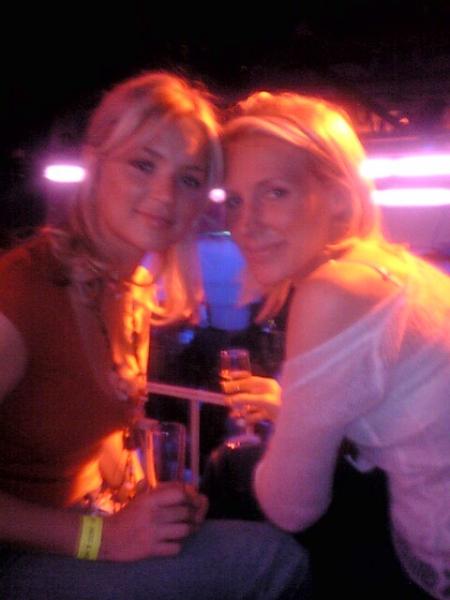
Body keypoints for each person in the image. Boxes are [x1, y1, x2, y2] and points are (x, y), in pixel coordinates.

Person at [0, 71, 310, 599]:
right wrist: (102, 539)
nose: (165, 195)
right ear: (96, 164)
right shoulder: (19, 294)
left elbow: (94, 433)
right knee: (272, 560)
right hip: (21, 557)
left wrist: (152, 506)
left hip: (87, 521)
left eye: (188, 179)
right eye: (143, 164)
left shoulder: (133, 291)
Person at [221, 89, 450, 599]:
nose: (245, 223)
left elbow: (292, 507)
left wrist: (277, 437)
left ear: (339, 198)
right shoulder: (396, 270)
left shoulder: (332, 290)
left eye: (274, 192)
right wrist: (294, 408)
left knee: (228, 473)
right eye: (234, 200)